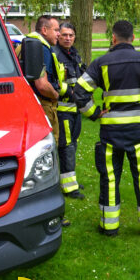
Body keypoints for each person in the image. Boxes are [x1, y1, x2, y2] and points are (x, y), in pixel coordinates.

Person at [73, 20, 140, 237]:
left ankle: (108, 226)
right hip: (139, 129)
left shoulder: (101, 62)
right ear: (133, 38)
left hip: (111, 129)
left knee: (110, 177)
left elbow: (80, 91)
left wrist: (93, 113)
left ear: (113, 38)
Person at [20, 16, 71, 226]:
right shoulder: (39, 48)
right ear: (44, 29)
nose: (59, 34)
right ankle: (49, 211)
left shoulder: (29, 44)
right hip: (44, 105)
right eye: (57, 30)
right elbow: (42, 85)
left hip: (32, 105)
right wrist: (57, 95)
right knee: (48, 158)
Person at [51, 21, 86, 200]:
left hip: (76, 109)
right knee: (66, 147)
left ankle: (69, 179)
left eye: (71, 35)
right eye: (64, 35)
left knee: (73, 144)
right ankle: (69, 187)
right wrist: (72, 93)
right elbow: (55, 83)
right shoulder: (54, 54)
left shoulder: (74, 54)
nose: (67, 38)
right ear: (59, 36)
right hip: (63, 109)